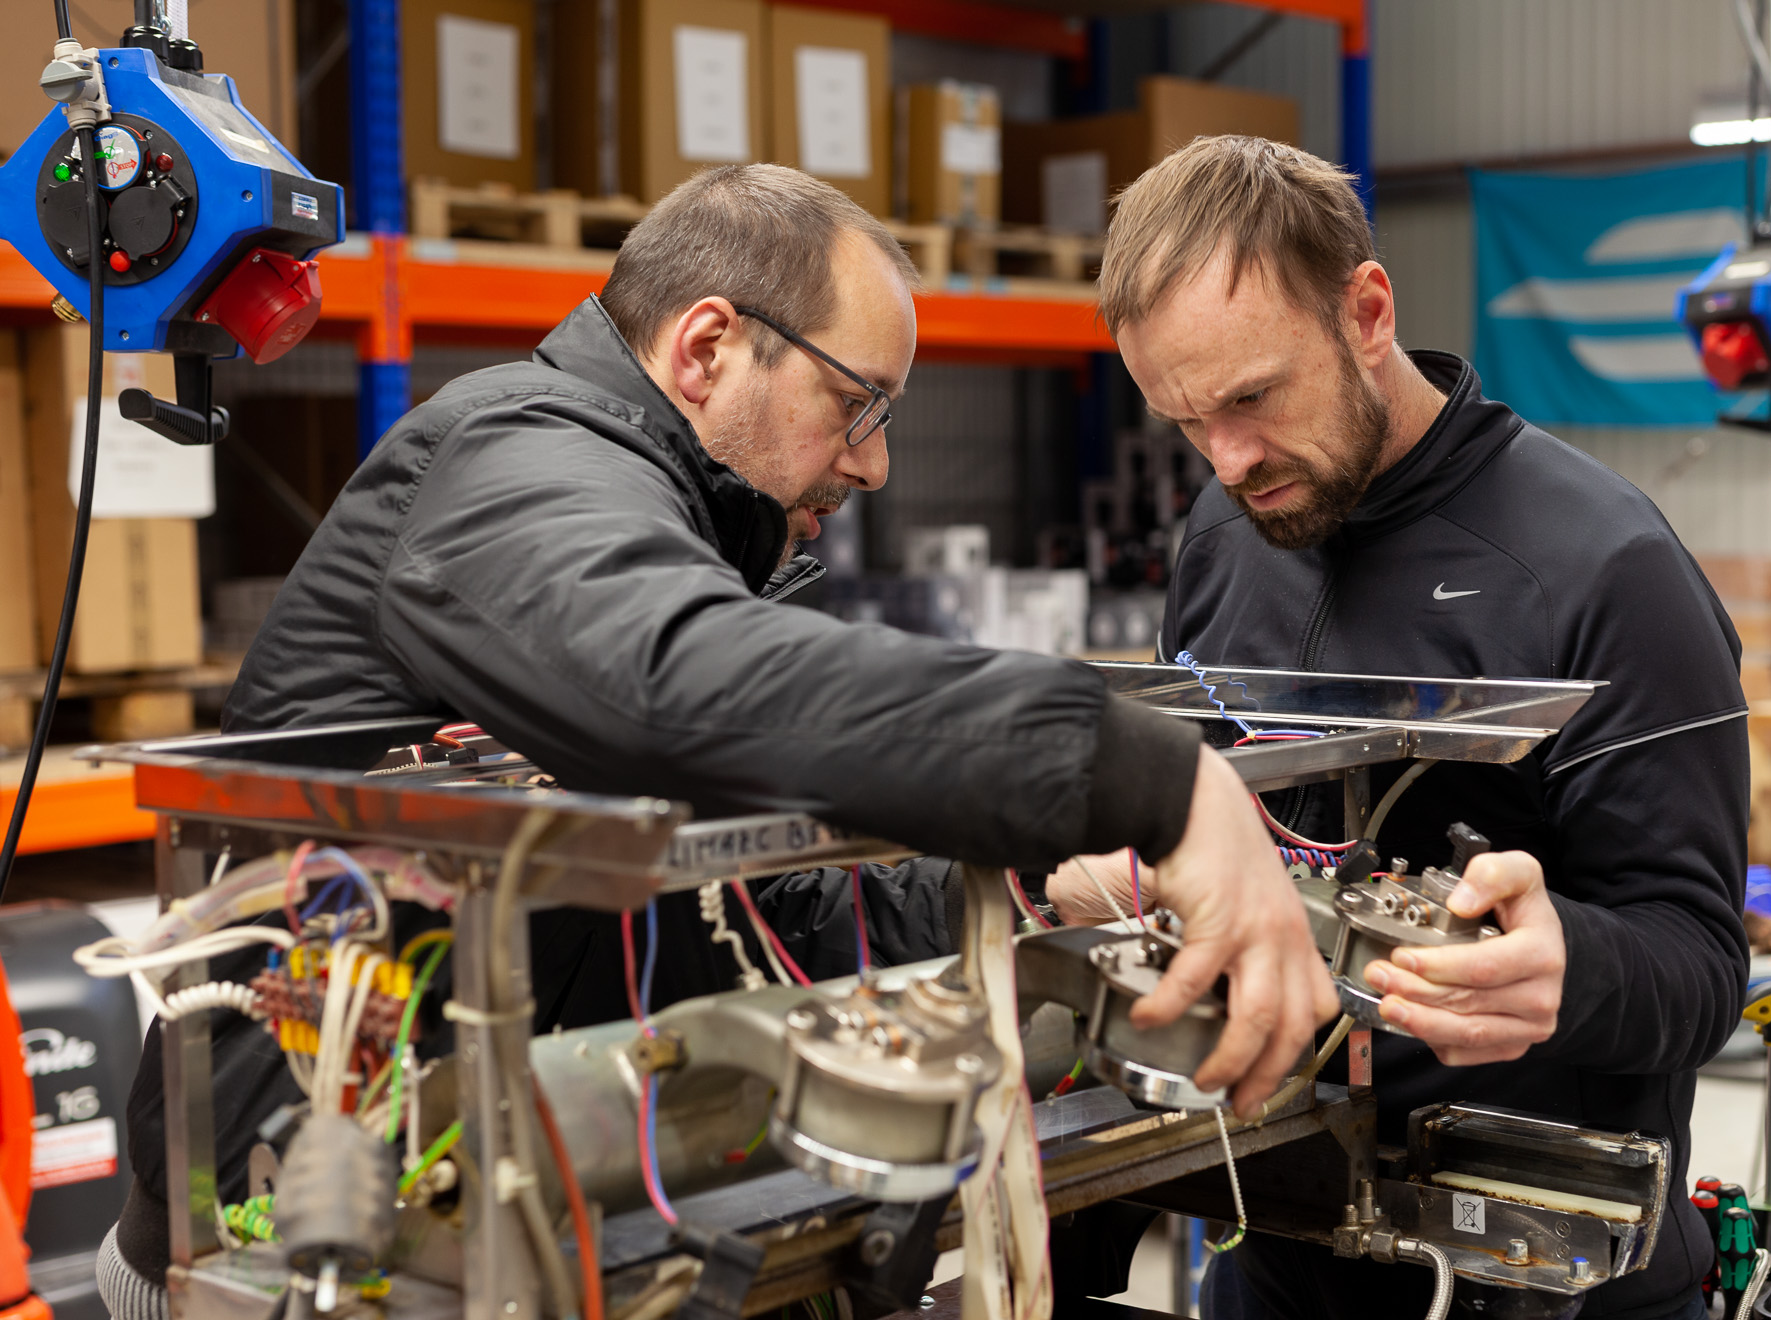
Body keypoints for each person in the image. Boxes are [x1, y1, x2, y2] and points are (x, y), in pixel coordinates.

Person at [97, 165, 1335, 1314]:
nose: (877, 462)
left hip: (530, 1206)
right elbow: (676, 686)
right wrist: (1146, 776)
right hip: (295, 1244)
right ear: (706, 347)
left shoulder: (688, 528)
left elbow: (762, 911)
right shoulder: (509, 465)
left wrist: (1031, 882)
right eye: (858, 404)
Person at [1049, 138, 1750, 1319]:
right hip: (1274, 1250)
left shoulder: (1604, 569)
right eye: (1186, 421)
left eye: (1253, 398)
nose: (1226, 461)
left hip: (1533, 1276)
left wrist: (1569, 968)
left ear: (1366, 312)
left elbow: (1701, 961)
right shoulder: (1226, 541)